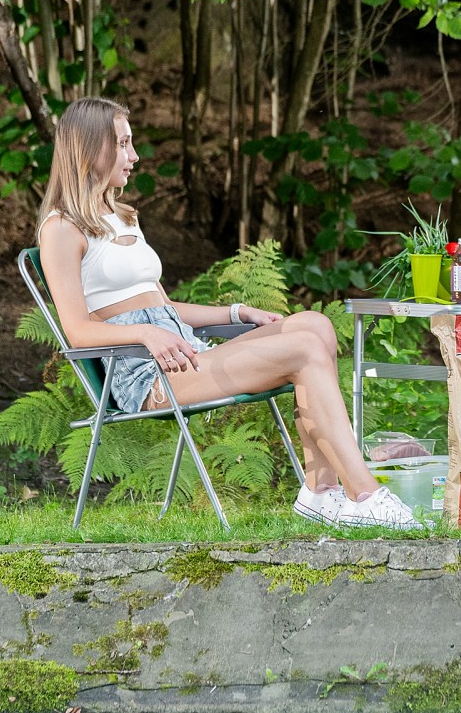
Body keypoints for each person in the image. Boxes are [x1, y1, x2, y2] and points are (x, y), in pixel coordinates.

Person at [37, 96, 425, 531]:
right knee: (303, 349)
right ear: (91, 149)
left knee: (314, 325)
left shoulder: (122, 216)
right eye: (124, 144)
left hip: (181, 351)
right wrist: (146, 335)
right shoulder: (61, 227)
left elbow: (162, 309)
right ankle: (366, 496)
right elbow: (77, 331)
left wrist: (234, 312)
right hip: (142, 373)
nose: (135, 155)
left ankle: (321, 493)